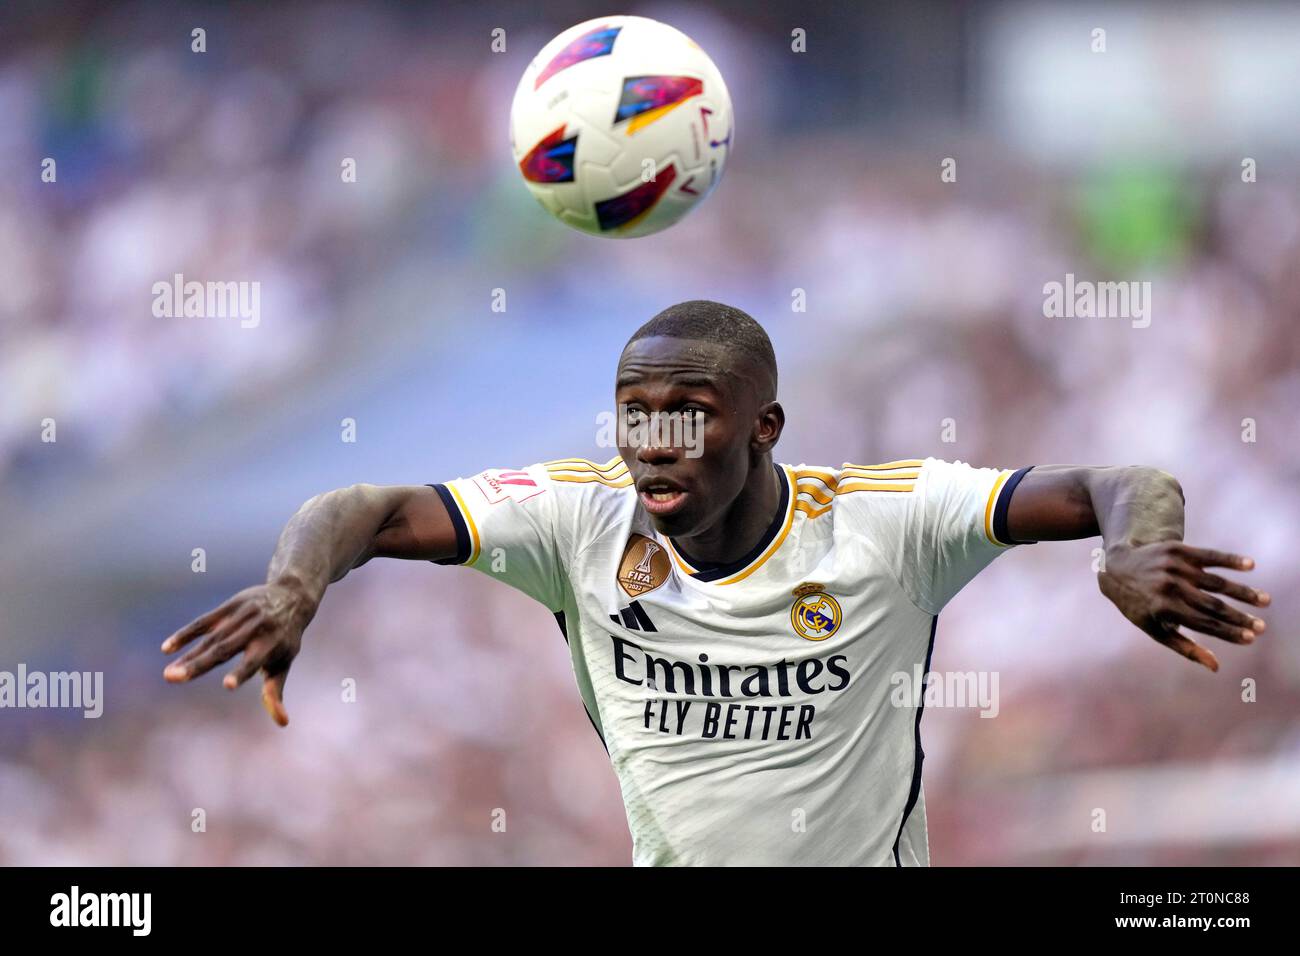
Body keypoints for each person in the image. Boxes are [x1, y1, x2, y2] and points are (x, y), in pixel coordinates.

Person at [161, 299, 1269, 866]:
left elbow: (1117, 478)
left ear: (765, 426)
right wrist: (294, 584)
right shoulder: (575, 517)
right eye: (634, 415)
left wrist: (1130, 544)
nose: (651, 442)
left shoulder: (888, 516)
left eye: (685, 414)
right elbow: (364, 505)